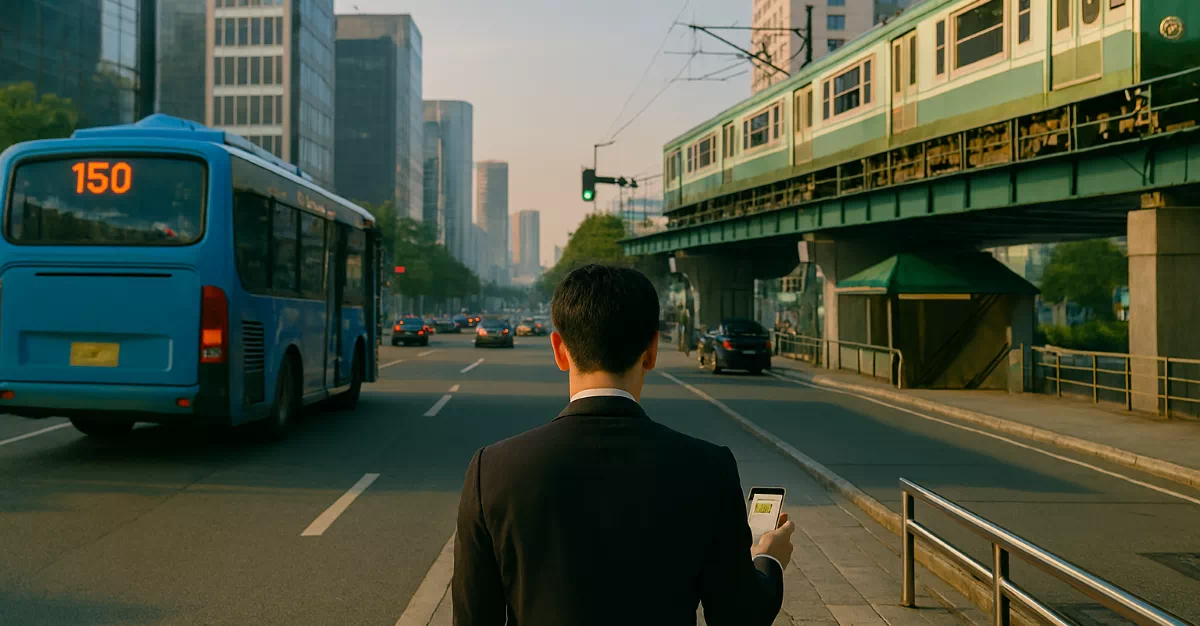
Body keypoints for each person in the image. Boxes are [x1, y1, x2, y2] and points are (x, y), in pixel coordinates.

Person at [453, 264, 794, 626]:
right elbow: (739, 616)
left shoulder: (492, 470)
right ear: (651, 351)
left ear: (560, 350)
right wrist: (768, 559)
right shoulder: (709, 468)